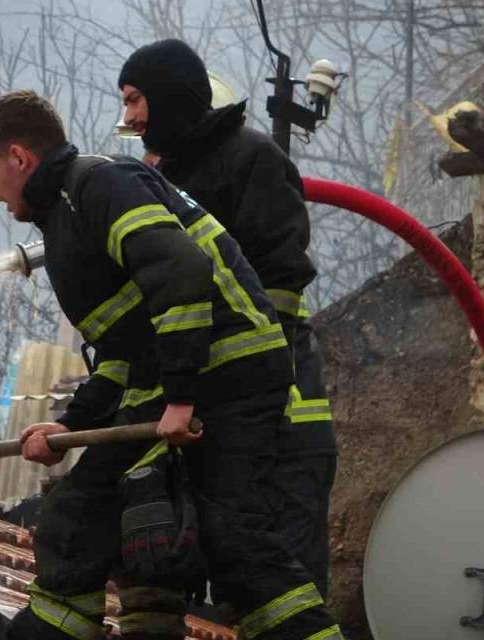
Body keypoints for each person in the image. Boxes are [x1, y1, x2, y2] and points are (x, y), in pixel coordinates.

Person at [0, 89, 341, 640]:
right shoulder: (66, 216)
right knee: (76, 520)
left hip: (229, 374)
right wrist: (70, 425)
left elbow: (182, 272)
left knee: (232, 540)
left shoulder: (100, 184)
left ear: (20, 157)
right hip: (171, 383)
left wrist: (183, 397)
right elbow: (124, 353)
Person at [117, 39, 337, 597]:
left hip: (283, 423)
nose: (130, 117)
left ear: (169, 95)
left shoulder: (253, 159)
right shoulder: (162, 178)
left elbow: (281, 286)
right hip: (213, 416)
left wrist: (256, 389)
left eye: (137, 99)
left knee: (281, 586)